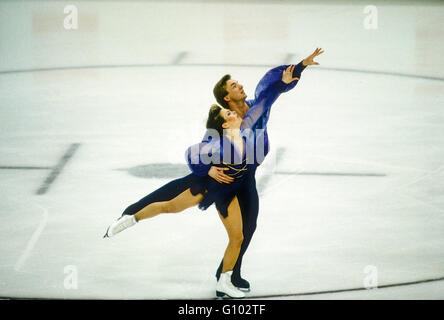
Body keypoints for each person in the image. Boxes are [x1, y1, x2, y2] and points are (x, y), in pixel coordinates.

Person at [188, 48, 324, 290]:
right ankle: (228, 274)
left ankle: (228, 272)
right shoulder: (223, 121)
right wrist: (208, 171)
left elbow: (270, 89)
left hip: (248, 175)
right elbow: (203, 149)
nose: (240, 85)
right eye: (233, 86)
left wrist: (300, 67)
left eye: (237, 83)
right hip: (230, 178)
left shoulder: (256, 105)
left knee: (249, 227)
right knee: (240, 231)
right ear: (227, 98)